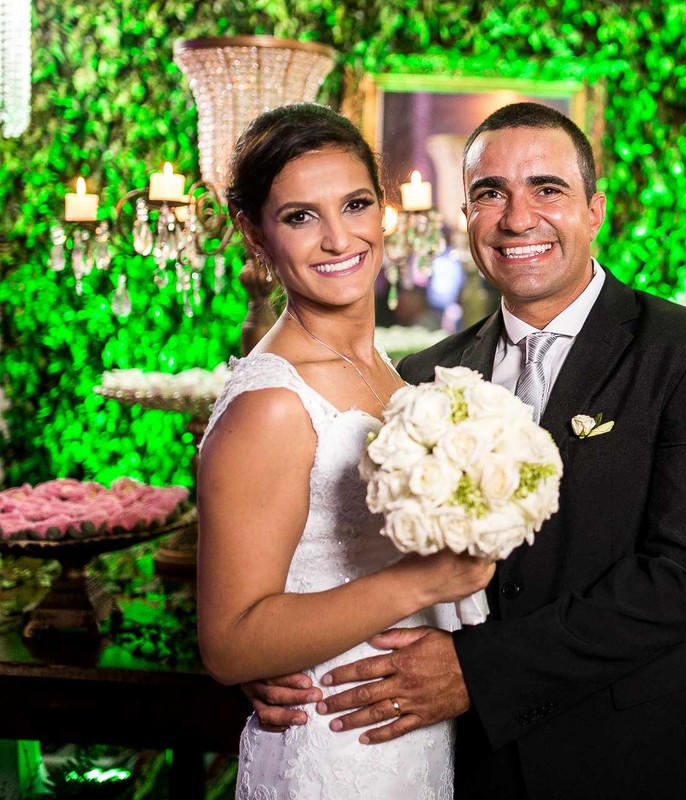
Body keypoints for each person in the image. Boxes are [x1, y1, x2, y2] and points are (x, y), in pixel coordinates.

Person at [248, 102, 686, 798]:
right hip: (482, 768)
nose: (517, 217)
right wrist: (289, 653)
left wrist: (477, 672)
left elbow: (680, 581)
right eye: (488, 193)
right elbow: (376, 557)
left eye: (547, 190)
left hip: (649, 755)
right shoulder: (421, 376)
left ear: (596, 209)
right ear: (466, 217)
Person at [196, 103, 494, 798]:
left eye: (356, 204)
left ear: (383, 210)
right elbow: (231, 642)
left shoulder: (394, 373)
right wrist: (423, 582)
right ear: (254, 233)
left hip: (411, 738)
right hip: (331, 747)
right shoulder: (271, 405)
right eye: (300, 216)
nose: (338, 238)